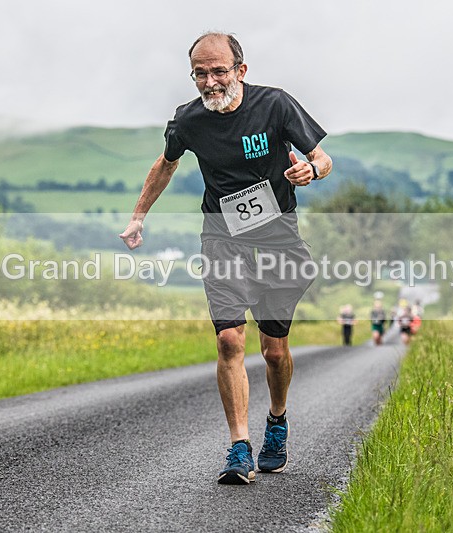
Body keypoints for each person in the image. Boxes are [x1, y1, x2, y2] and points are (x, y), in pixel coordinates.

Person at [119, 32, 332, 485]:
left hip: (278, 238)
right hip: (222, 237)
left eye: (219, 71)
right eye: (201, 73)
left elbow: (322, 156)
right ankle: (239, 447)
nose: (210, 82)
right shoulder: (188, 120)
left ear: (241, 70)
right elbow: (166, 164)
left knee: (274, 352)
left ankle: (277, 420)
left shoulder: (275, 105)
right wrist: (138, 217)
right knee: (229, 342)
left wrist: (311, 169)